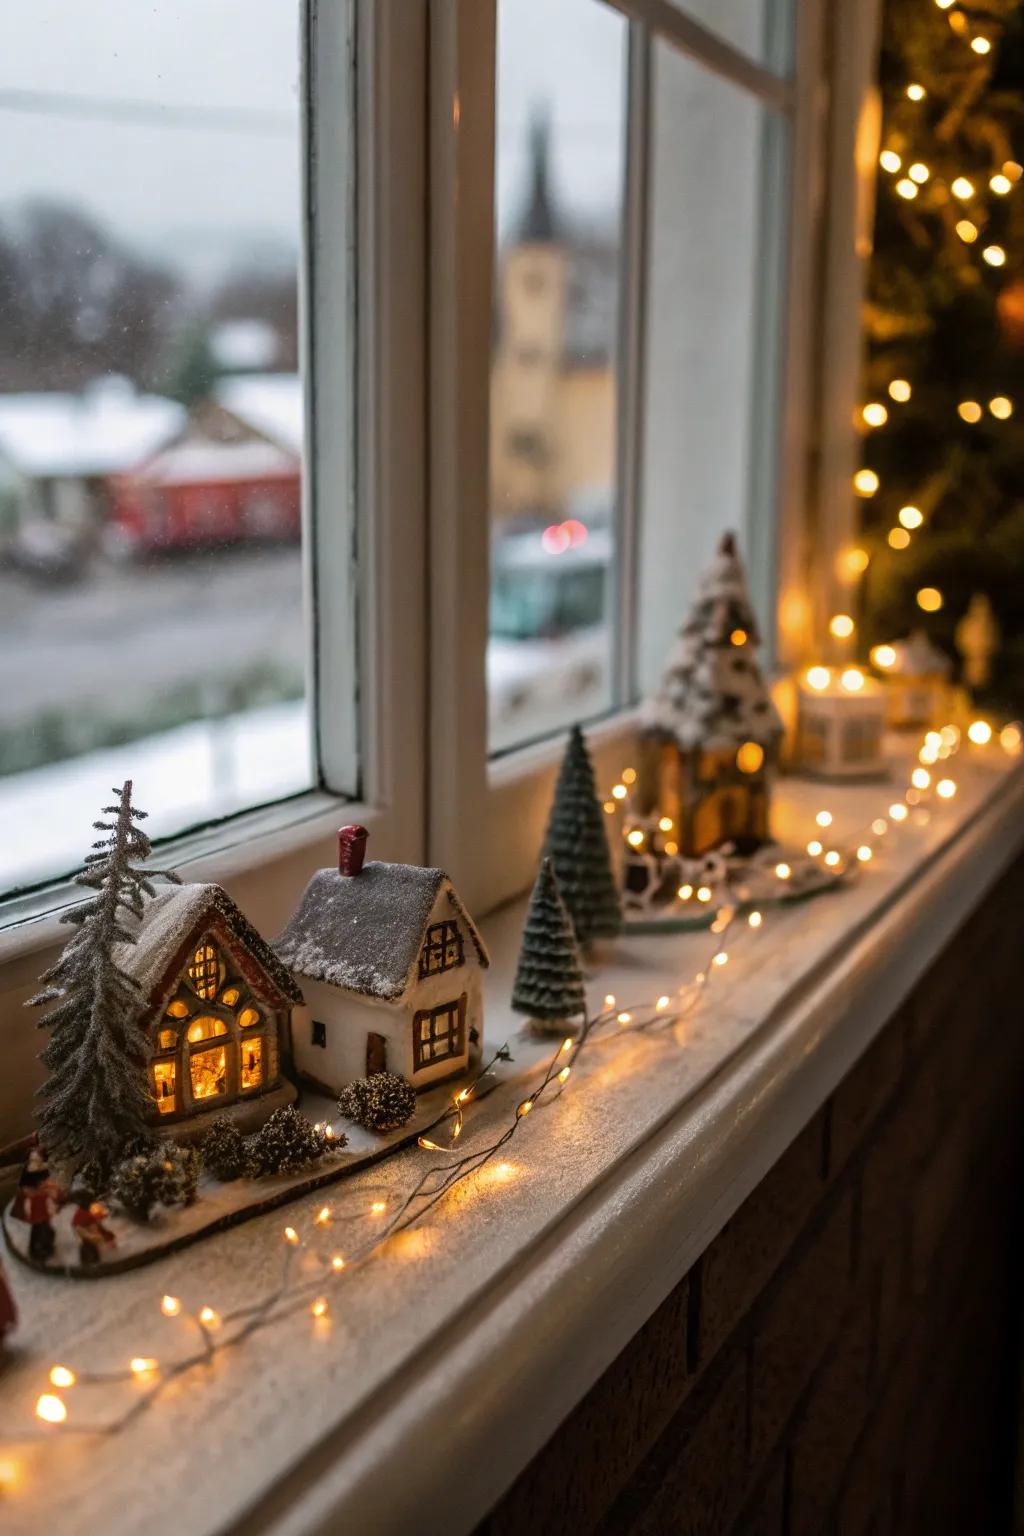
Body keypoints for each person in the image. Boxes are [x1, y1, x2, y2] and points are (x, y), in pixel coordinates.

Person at [13, 1145, 61, 1264]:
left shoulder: (44, 1170)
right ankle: (37, 1250)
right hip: (35, 1202)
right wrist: (39, 1191)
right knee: (38, 1225)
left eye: (37, 1157)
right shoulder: (28, 1172)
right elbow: (25, 1189)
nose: (35, 1159)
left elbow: (50, 1183)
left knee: (45, 1224)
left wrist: (50, 1190)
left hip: (43, 1200)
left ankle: (45, 1247)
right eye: (33, 1158)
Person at [70, 1191, 116, 1267]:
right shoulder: (82, 1214)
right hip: (88, 1240)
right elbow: (79, 1229)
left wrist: (104, 1233)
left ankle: (94, 1263)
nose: (92, 1204)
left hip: (91, 1238)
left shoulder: (87, 1213)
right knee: (90, 1253)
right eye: (90, 1202)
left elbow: (96, 1225)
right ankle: (91, 1265)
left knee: (93, 1251)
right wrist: (92, 1236)